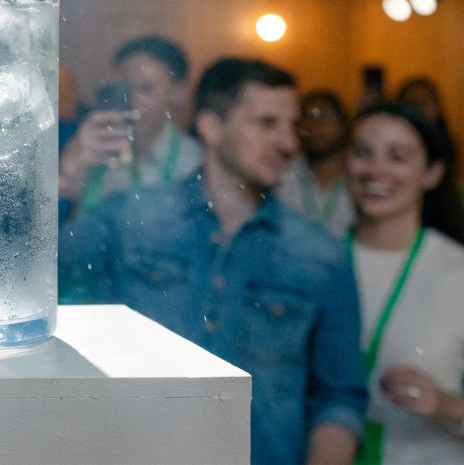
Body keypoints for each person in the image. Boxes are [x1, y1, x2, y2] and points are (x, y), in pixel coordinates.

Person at [60, 58, 367, 465]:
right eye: (266, 123)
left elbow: (339, 396)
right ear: (211, 127)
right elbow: (43, 293)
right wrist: (67, 175)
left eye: (291, 126)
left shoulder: (319, 254)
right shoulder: (129, 220)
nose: (288, 143)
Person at [345, 104, 464, 463]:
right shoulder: (317, 262)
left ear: (432, 173)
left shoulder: (456, 271)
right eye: (363, 153)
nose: (376, 169)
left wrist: (447, 405)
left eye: (397, 157)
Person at [59, 35, 202, 211]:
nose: (131, 100)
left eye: (146, 89)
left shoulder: (195, 162)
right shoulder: (91, 147)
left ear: (177, 93)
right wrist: (67, 173)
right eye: (124, 88)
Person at [277, 90, 355, 237]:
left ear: (344, 124)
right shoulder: (281, 176)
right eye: (306, 118)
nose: (314, 125)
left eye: (323, 117)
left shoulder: (359, 176)